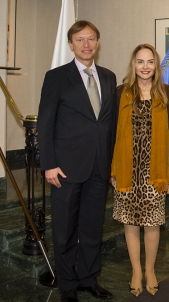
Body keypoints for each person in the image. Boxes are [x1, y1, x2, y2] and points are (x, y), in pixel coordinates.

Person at [38, 21, 117, 302]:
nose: (86, 44)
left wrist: (112, 166)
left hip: (99, 168)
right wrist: (48, 163)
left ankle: (88, 278)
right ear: (71, 44)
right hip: (65, 167)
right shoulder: (56, 77)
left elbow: (111, 125)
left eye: (91, 38)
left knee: (93, 227)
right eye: (80, 39)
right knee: (65, 229)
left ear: (98, 42)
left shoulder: (108, 77)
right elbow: (45, 125)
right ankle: (67, 285)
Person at [110, 44, 169, 297]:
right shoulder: (120, 93)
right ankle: (136, 270)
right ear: (133, 64)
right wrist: (112, 168)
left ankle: (150, 270)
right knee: (130, 222)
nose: (145, 67)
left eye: (150, 62)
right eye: (140, 61)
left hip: (154, 170)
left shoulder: (167, 93)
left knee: (152, 223)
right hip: (127, 168)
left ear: (156, 66)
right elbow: (111, 133)